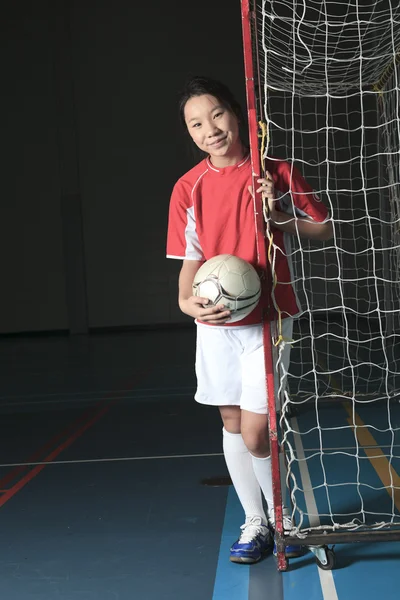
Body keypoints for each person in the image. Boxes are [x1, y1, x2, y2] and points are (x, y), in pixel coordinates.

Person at [166, 76, 333, 564]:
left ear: (237, 114)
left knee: (259, 431)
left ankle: (287, 519)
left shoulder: (274, 170)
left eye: (216, 115)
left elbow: (322, 228)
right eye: (196, 123)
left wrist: (278, 214)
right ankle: (256, 521)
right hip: (216, 322)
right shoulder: (188, 187)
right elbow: (190, 259)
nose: (209, 129)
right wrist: (183, 302)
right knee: (232, 420)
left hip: (270, 317)